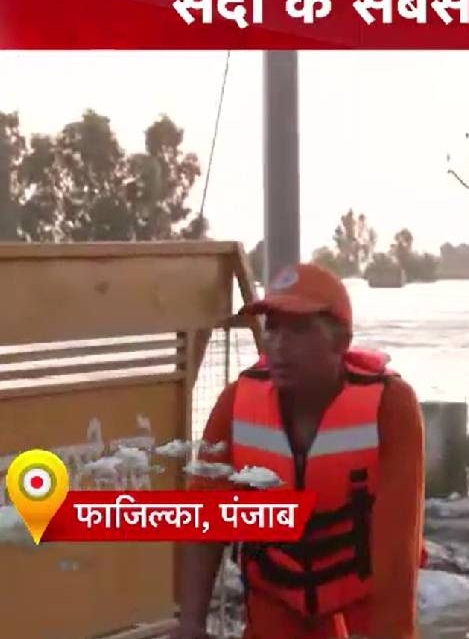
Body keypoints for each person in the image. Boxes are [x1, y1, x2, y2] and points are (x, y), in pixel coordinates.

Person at [172, 263, 426, 639]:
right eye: (272, 328)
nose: (279, 344)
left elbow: (397, 552)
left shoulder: (390, 407)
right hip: (273, 606)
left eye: (299, 329)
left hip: (358, 609)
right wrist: (190, 625)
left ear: (340, 343)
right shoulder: (236, 403)